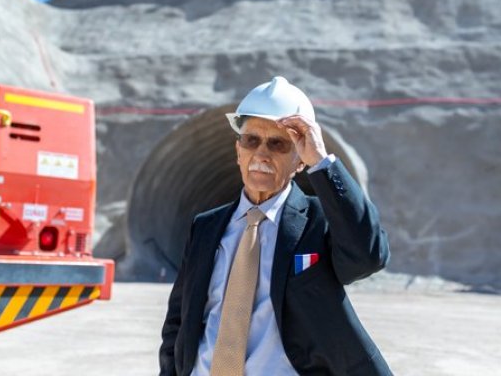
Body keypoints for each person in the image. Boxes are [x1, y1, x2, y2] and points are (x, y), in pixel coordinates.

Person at [159, 76, 392, 376]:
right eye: (251, 140)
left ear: (299, 161)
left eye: (278, 144)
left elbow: (368, 256)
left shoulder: (318, 223)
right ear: (238, 152)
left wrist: (322, 162)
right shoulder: (206, 227)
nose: (261, 154)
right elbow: (178, 320)